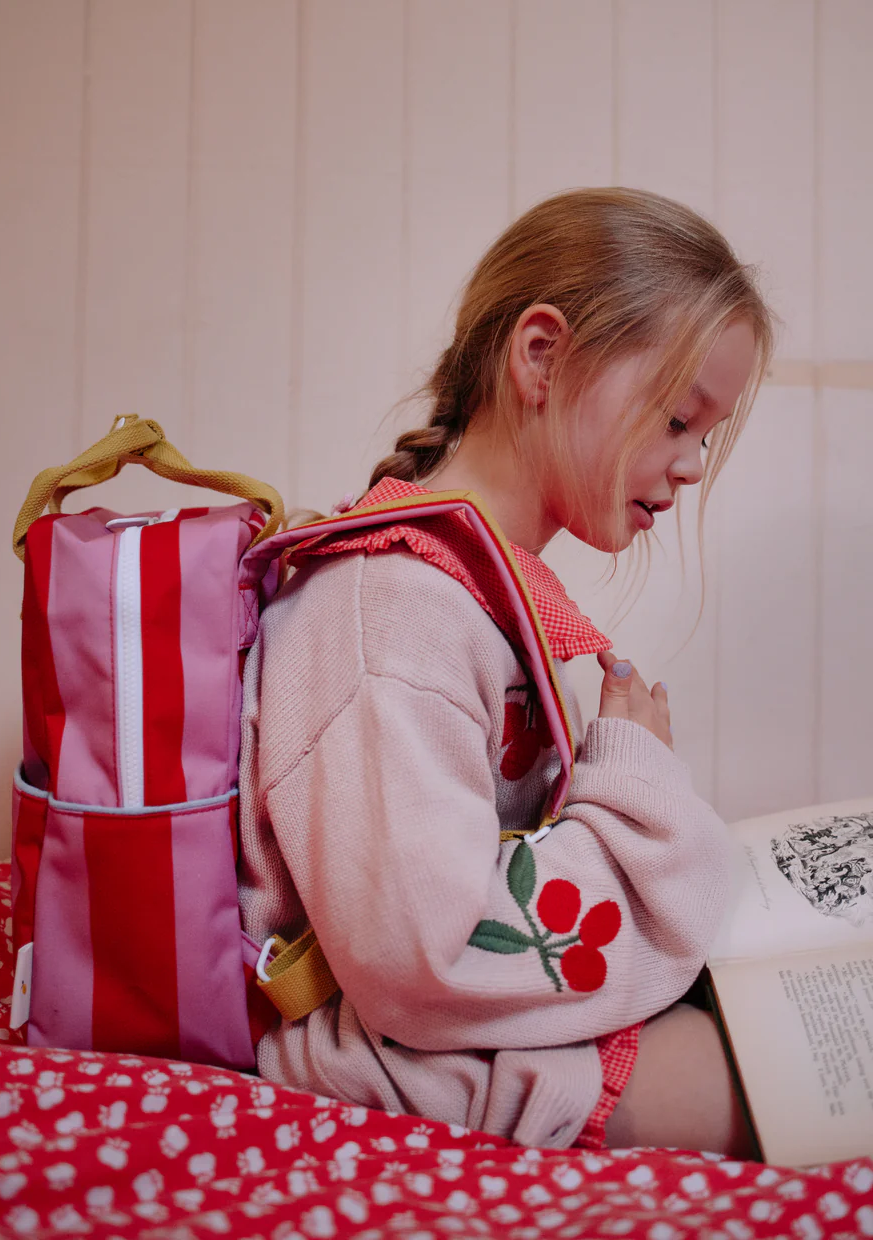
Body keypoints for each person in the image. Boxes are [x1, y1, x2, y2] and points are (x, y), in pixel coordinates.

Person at [238, 188, 775, 1155]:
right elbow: (428, 958)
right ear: (542, 356)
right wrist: (636, 790)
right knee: (804, 1065)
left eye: (704, 435)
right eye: (676, 419)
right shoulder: (391, 610)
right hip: (389, 1059)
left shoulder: (469, 594)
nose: (693, 465)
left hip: (455, 1037)